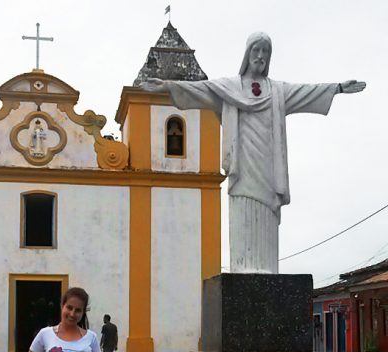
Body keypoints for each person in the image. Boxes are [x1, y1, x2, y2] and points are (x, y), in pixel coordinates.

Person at [140, 32, 366, 274]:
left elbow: (306, 92)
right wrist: (166, 86)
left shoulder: (277, 90)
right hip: (242, 163)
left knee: (267, 211)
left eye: (265, 51)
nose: (260, 55)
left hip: (268, 163)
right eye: (256, 50)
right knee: (242, 206)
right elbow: (199, 90)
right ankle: (242, 266)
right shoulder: (229, 87)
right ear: (247, 54)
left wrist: (338, 88)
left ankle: (267, 267)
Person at [23, 287, 105, 352]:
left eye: (78, 310)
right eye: (69, 308)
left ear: (83, 313)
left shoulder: (91, 338)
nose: (72, 314)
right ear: (62, 306)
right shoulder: (45, 334)